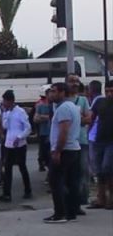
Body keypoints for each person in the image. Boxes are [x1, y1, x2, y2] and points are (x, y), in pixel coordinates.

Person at [44, 82, 82, 223]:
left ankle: (60, 213)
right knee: (71, 182)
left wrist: (57, 151)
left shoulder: (64, 108)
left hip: (65, 149)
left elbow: (63, 131)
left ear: (62, 92)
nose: (51, 94)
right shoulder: (72, 107)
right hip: (73, 149)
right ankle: (71, 212)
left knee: (56, 181)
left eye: (54, 91)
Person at [0, 90, 32, 202]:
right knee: (7, 168)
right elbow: (5, 126)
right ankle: (6, 194)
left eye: (5, 101)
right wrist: (4, 114)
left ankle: (28, 190)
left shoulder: (20, 112)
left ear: (10, 101)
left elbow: (28, 128)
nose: (3, 103)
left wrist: (20, 137)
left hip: (19, 144)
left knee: (22, 167)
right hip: (9, 144)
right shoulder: (7, 112)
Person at [67, 74, 92, 211]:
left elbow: (89, 119)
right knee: (70, 172)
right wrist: (79, 118)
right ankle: (72, 201)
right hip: (68, 142)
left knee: (83, 170)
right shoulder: (62, 101)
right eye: (72, 81)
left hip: (82, 140)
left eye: (77, 81)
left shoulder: (83, 100)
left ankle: (83, 198)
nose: (75, 84)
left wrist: (75, 119)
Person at [88, 80, 113, 209]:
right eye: (107, 91)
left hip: (111, 142)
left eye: (112, 91)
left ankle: (111, 199)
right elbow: (91, 118)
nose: (109, 94)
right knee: (98, 171)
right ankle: (101, 199)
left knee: (107, 168)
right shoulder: (99, 102)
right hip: (98, 140)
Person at [33, 87, 53, 172]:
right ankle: (42, 163)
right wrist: (47, 117)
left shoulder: (55, 105)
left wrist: (42, 117)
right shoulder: (40, 105)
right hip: (44, 132)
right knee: (43, 150)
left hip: (53, 133)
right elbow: (36, 118)